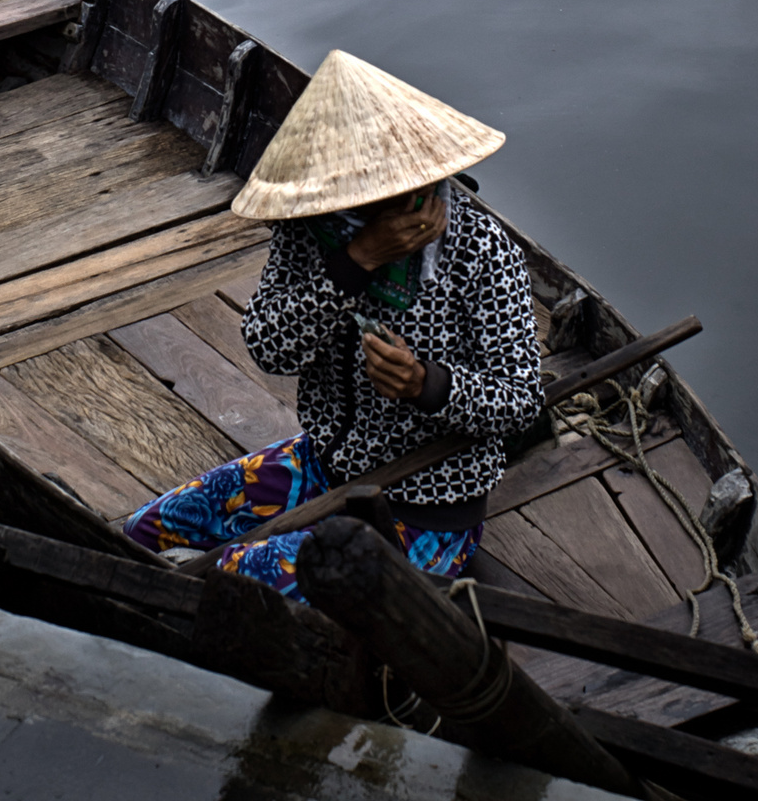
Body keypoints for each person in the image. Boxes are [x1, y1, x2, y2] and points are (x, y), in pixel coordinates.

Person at [123, 50, 543, 601]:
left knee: (230, 583)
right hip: (323, 465)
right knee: (144, 533)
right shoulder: (315, 230)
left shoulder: (481, 253)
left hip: (427, 506)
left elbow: (520, 402)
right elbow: (270, 347)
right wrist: (355, 262)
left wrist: (426, 384)